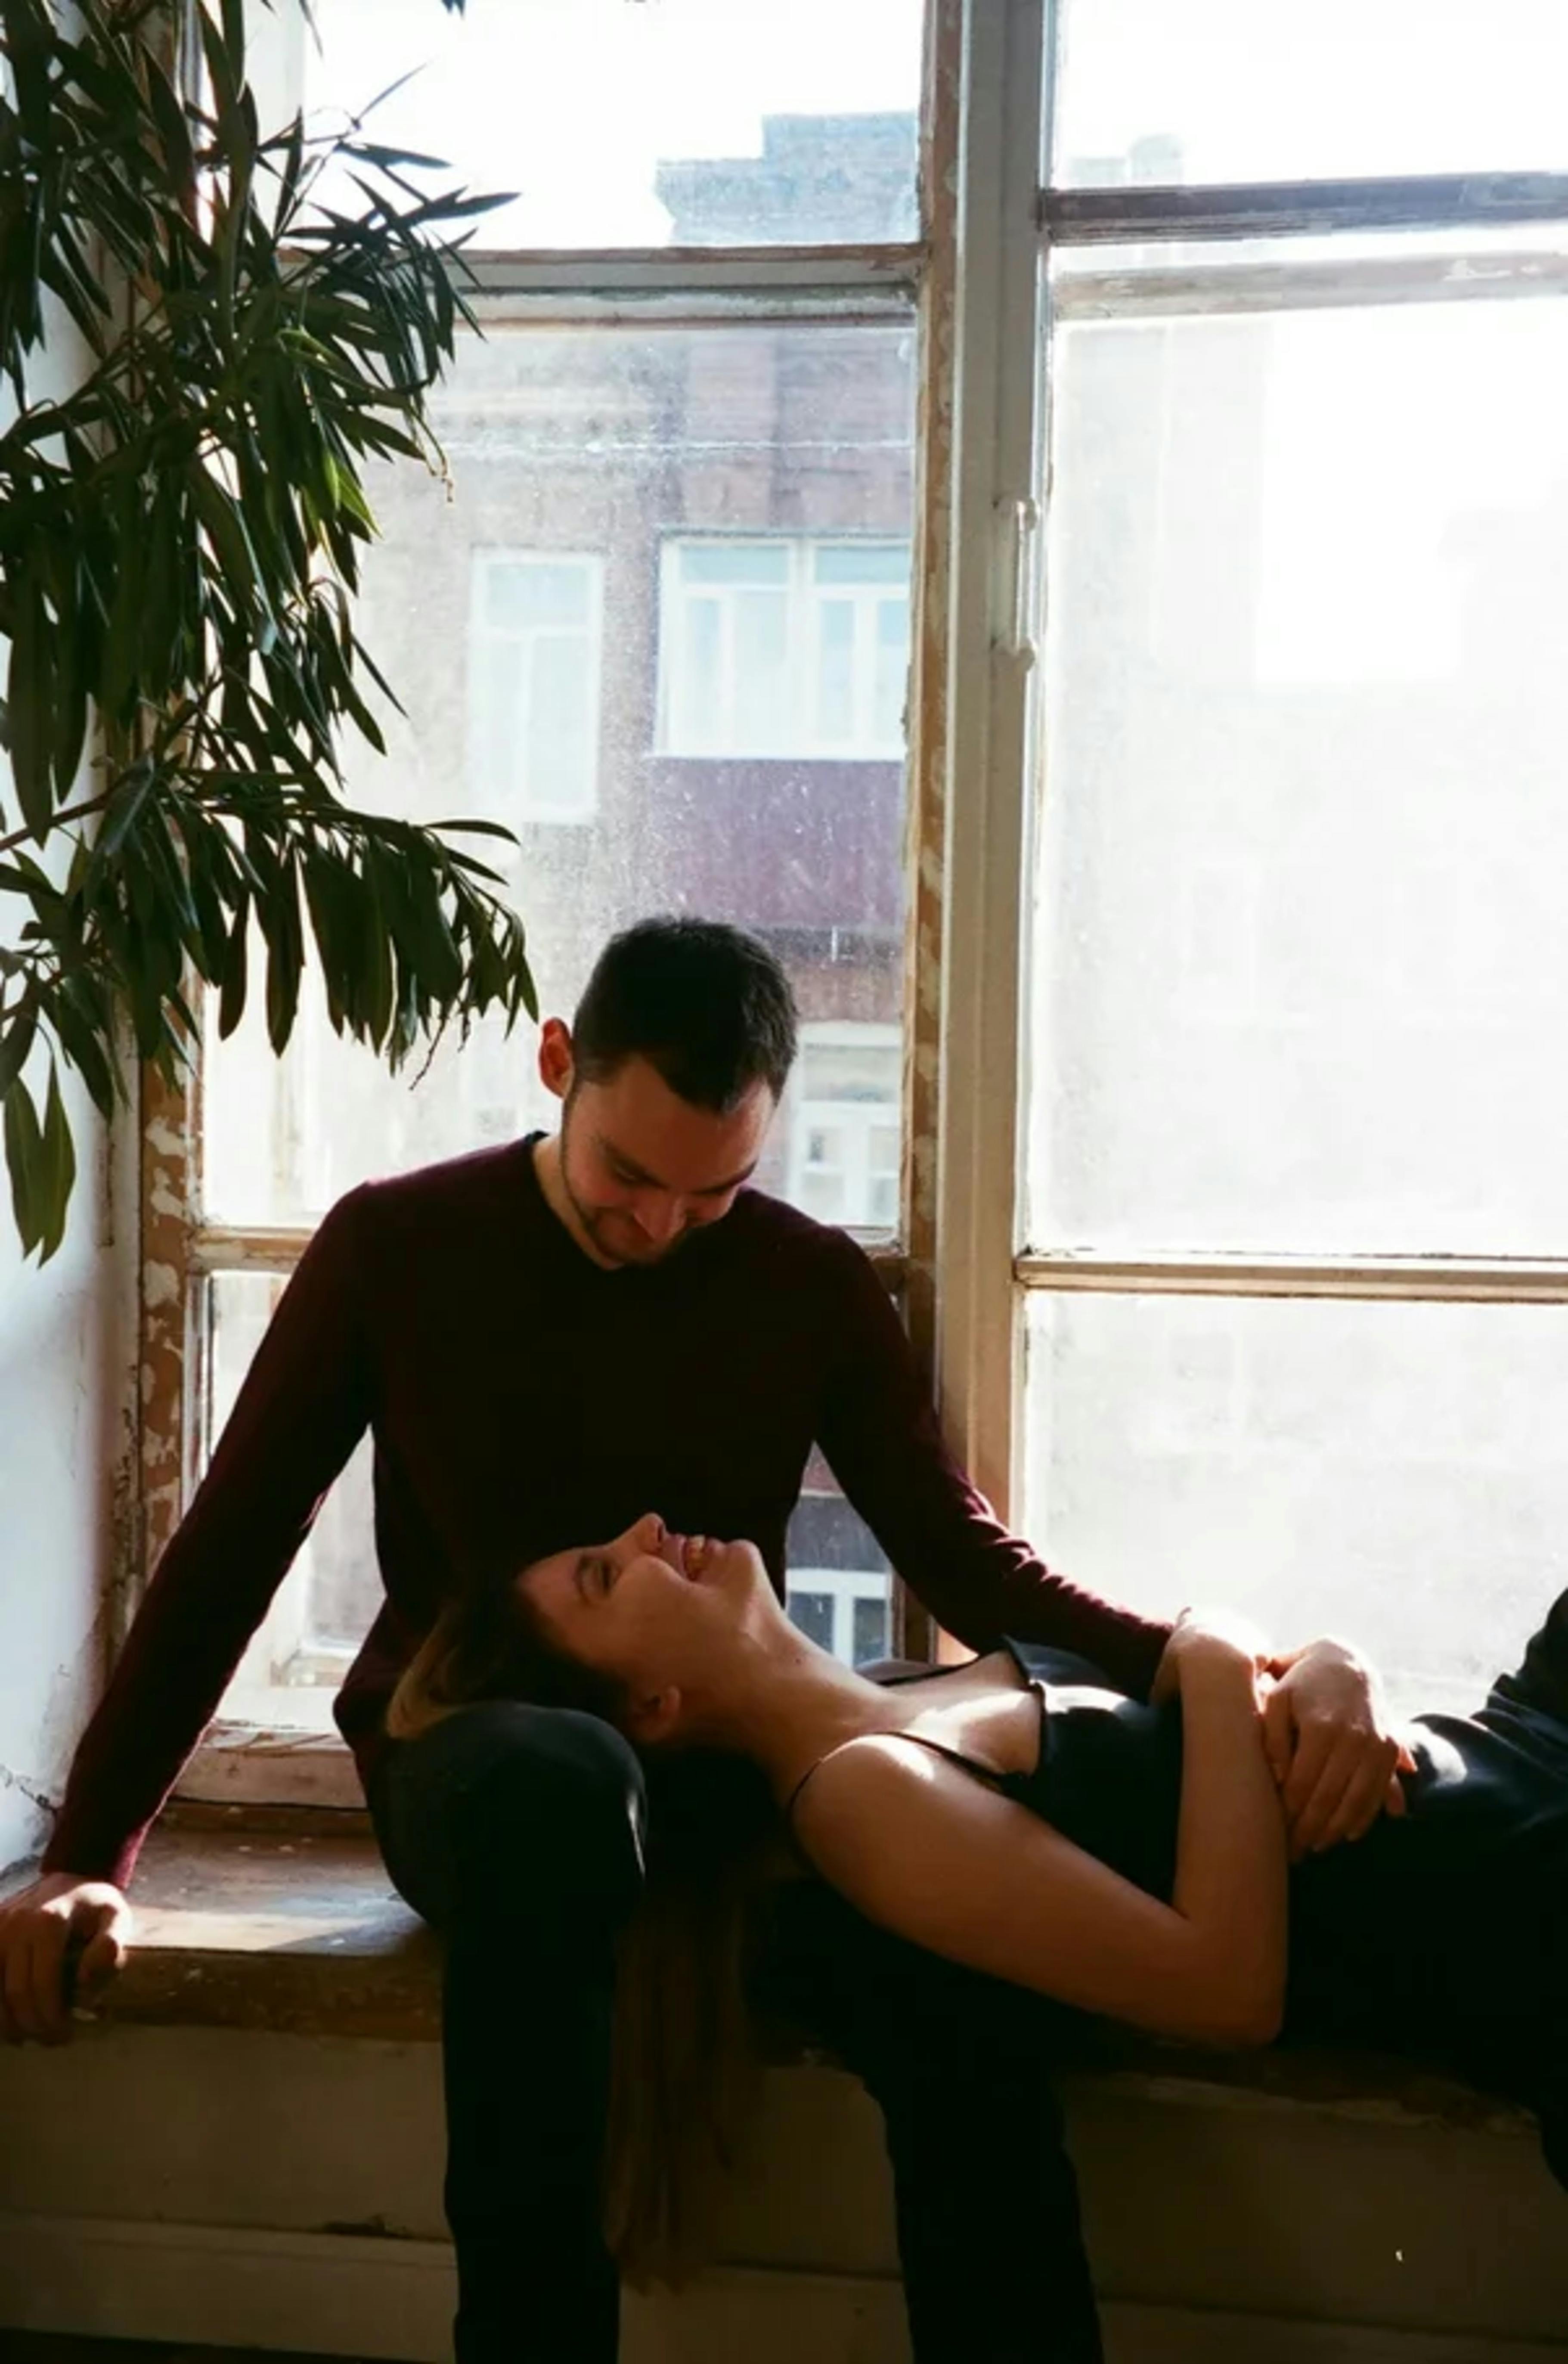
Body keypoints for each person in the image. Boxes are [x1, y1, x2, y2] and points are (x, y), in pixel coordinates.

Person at [0, 917, 1404, 2364]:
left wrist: (1240, 1663)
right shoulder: (399, 1243)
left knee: (950, 1984)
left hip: (720, 1759)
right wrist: (87, 1857)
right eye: (628, 1175)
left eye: (715, 1190)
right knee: (557, 1775)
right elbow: (233, 1543)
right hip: (475, 1751)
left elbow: (971, 1564)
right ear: (558, 1065)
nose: (662, 1224)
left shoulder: (803, 1283)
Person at [395, 1508, 1568, 2330]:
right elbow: (1224, 1984)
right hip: (1515, 1891)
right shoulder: (858, 1798)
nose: (647, 1526)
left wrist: (1323, 1657)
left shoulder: (906, 1682)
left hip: (1510, 1742)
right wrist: (1209, 1650)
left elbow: (1225, 1746)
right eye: (606, 1574)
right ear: (649, 1707)